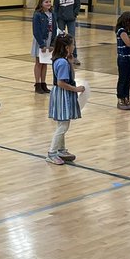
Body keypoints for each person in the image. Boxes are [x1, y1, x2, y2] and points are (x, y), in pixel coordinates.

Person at [46, 34, 84, 164]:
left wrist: (71, 62)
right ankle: (52, 152)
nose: (74, 47)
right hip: (62, 94)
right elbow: (61, 82)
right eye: (72, 45)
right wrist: (76, 89)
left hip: (60, 93)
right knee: (63, 125)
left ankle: (61, 150)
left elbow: (70, 75)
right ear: (67, 47)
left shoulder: (62, 60)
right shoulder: (62, 62)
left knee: (62, 123)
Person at [51, 0, 82, 66]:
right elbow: (55, 7)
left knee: (72, 37)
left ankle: (74, 56)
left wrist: (74, 13)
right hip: (61, 18)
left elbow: (78, 4)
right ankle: (60, 54)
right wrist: (55, 18)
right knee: (61, 37)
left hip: (71, 18)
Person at [115, 11, 130, 110]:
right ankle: (120, 98)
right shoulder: (121, 31)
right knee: (123, 79)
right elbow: (129, 43)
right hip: (123, 58)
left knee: (128, 80)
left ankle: (127, 97)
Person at [31, 0, 54, 94]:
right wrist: (41, 44)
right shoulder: (37, 15)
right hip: (40, 40)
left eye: (49, 1)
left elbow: (54, 28)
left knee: (45, 63)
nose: (49, 3)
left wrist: (53, 43)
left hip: (49, 40)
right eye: (46, 2)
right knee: (39, 62)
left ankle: (44, 83)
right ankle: (37, 84)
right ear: (41, 4)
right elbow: (36, 31)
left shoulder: (52, 14)